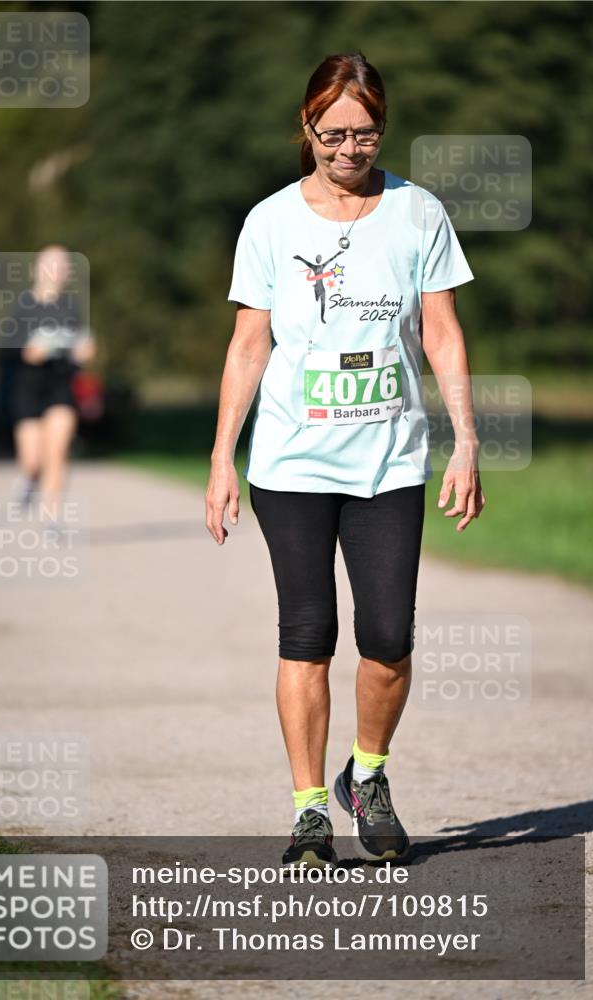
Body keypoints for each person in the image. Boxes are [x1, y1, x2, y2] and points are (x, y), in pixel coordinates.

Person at [206, 53, 485, 869]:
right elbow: (247, 346)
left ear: (382, 130)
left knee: (389, 637)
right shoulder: (270, 223)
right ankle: (306, 815)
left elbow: (441, 333)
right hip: (290, 464)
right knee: (307, 635)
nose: (349, 149)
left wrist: (465, 440)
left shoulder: (417, 213)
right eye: (332, 134)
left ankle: (367, 774)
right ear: (307, 128)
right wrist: (222, 456)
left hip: (389, 459)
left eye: (364, 134)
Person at [5, 245, 96, 526]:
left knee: (57, 451)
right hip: (28, 389)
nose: (57, 270)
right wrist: (28, 352)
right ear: (37, 269)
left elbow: (85, 342)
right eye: (51, 264)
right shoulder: (22, 307)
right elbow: (6, 352)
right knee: (33, 459)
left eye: (62, 265)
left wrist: (87, 350)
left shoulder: (71, 307)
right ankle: (29, 479)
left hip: (61, 387)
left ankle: (51, 516)